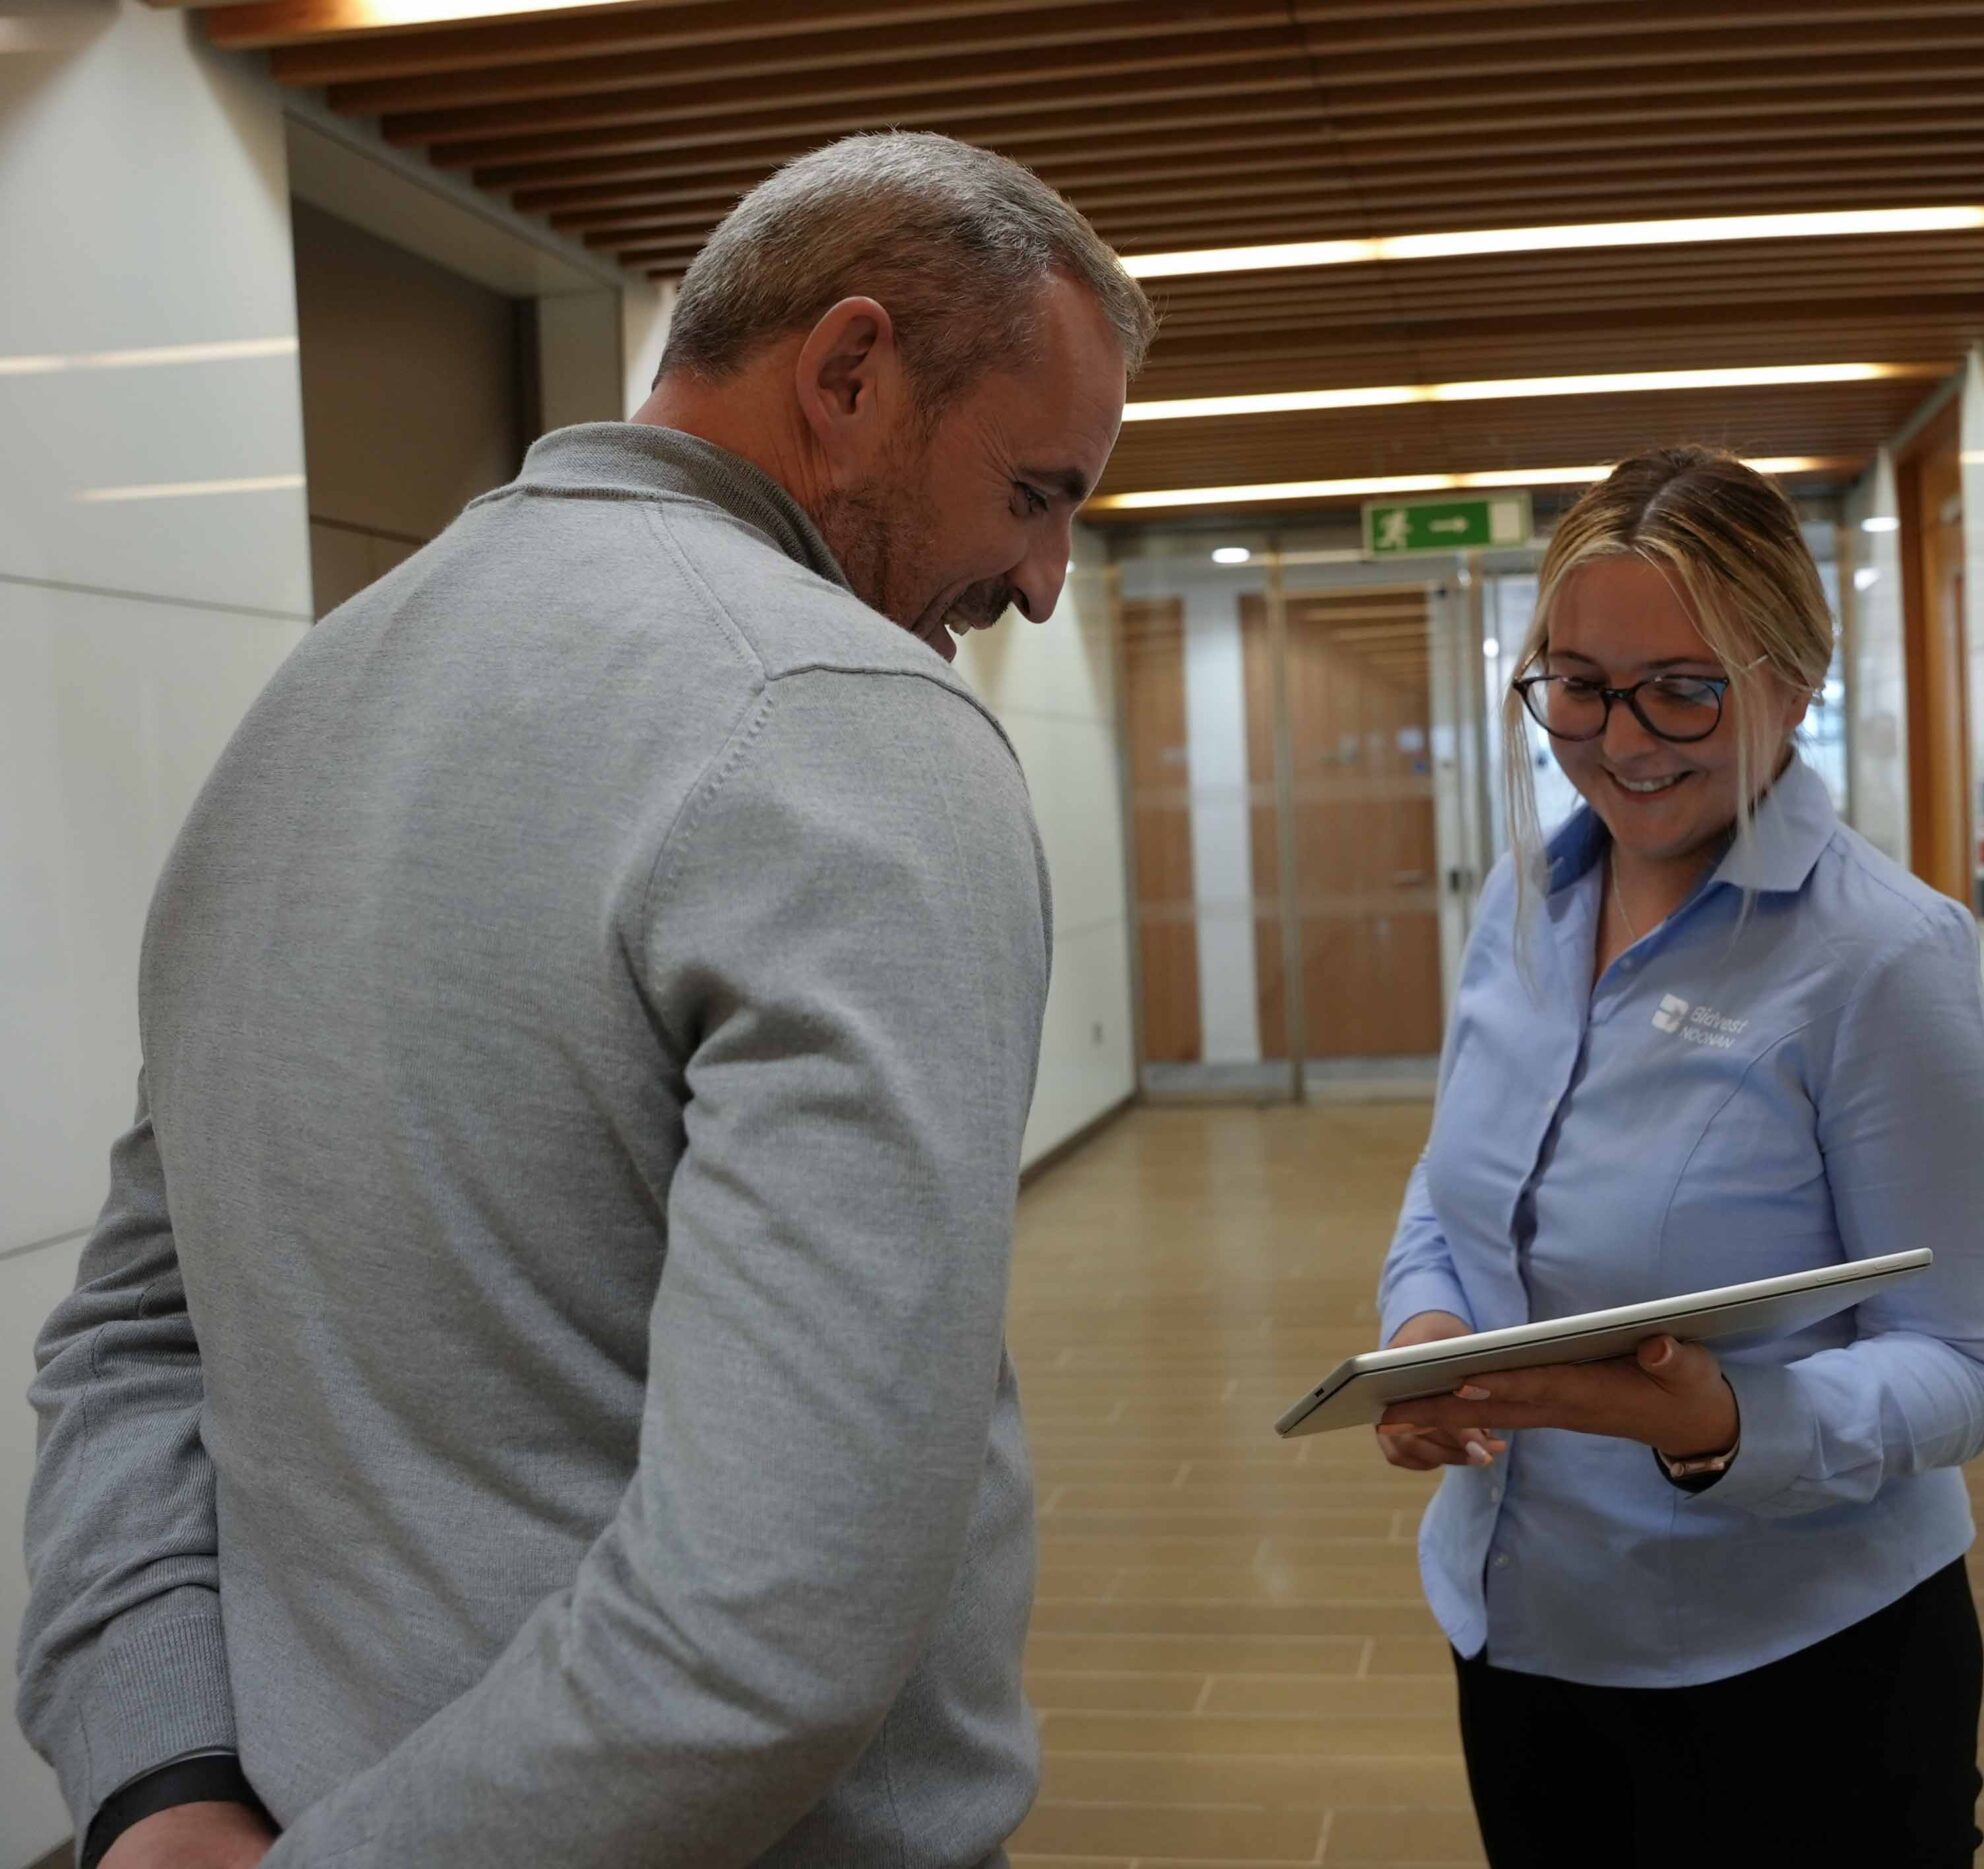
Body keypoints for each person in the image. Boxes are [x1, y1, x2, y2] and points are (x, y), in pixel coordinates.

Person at [17, 131, 1152, 1869]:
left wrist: (160, 1773)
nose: (1043, 579)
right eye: (1036, 494)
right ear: (850, 370)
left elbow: (126, 1340)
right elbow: (768, 1619)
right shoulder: (850, 726)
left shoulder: (309, 698)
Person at [1375, 448, 1984, 1866]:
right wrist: (1423, 1326)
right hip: (1523, 1624)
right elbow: (1455, 1177)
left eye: (1684, 685)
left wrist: (1717, 1423)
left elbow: (1965, 1371)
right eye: (1577, 682)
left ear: (1794, 680)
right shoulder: (1525, 896)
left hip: (1796, 1669)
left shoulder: (1885, 961)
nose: (1623, 738)